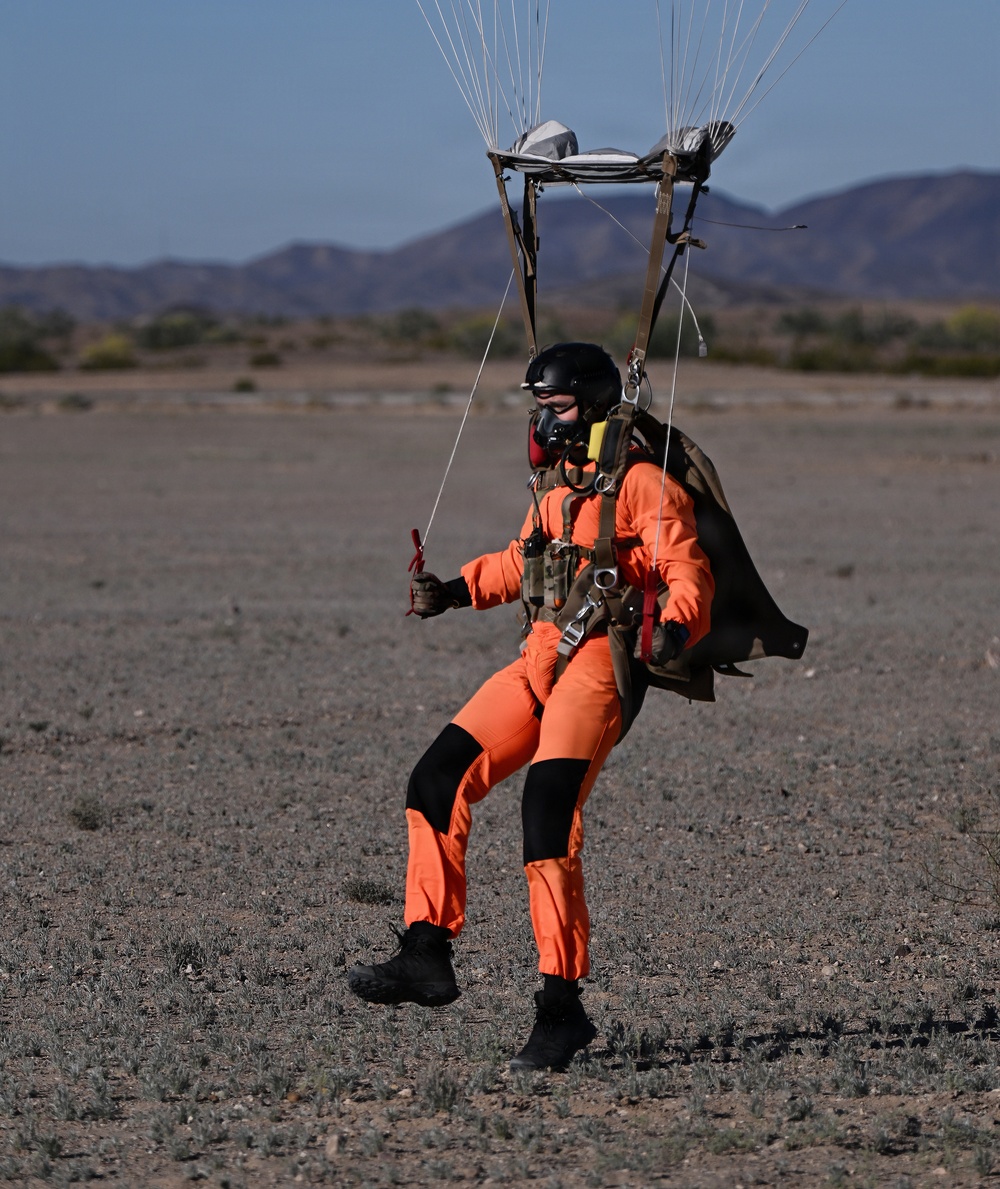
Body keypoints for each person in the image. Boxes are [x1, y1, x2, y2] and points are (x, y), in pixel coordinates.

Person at [348, 342, 714, 1071]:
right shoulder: (554, 488)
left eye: (558, 408)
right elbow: (525, 561)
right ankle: (425, 949)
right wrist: (454, 590)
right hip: (539, 658)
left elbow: (686, 569)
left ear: (596, 409)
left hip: (599, 668)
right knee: (436, 779)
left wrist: (676, 624)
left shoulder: (645, 486)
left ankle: (561, 1004)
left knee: (547, 813)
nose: (544, 421)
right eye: (539, 408)